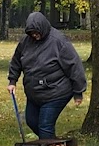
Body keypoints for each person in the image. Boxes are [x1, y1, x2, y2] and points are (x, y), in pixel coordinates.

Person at [7, 10, 86, 138]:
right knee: (32, 121)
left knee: (45, 125)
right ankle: (54, 145)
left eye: (37, 32)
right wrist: (12, 81)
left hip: (56, 92)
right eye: (32, 33)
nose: (35, 36)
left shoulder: (58, 41)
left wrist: (78, 92)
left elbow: (74, 66)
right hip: (34, 93)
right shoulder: (25, 42)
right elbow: (16, 61)